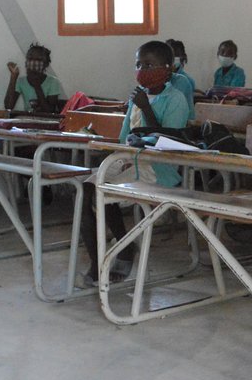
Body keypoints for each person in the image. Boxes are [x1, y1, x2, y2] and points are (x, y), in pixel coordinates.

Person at [80, 41, 190, 286]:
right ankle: (101, 259)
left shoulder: (175, 99)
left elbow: (167, 141)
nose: (142, 69)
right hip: (130, 160)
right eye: (138, 64)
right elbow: (123, 137)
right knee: (88, 188)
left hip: (157, 168)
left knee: (105, 191)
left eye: (149, 65)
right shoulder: (136, 97)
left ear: (167, 68)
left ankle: (123, 250)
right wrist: (113, 156)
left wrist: (145, 106)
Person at [4, 42, 60, 113]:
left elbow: (50, 111)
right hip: (27, 119)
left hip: (46, 120)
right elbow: (8, 106)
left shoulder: (52, 82)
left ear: (46, 64)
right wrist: (13, 77)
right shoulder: (22, 81)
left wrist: (37, 86)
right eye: (30, 58)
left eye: (38, 60)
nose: (33, 63)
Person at [164, 39, 196, 117]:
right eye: (168, 55)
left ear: (183, 57)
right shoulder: (160, 78)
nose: (172, 58)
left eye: (176, 55)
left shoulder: (184, 80)